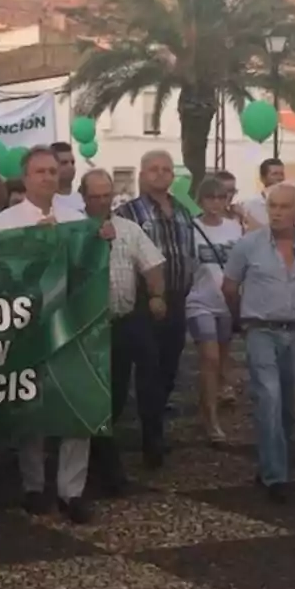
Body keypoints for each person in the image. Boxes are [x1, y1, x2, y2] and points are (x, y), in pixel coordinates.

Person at [0, 147, 92, 523]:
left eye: (53, 171)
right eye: (40, 172)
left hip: (71, 321)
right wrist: (32, 242)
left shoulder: (75, 216)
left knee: (76, 406)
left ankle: (72, 491)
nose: (48, 177)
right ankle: (33, 485)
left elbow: (87, 265)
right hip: (29, 323)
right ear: (26, 176)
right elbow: (0, 268)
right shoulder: (7, 219)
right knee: (32, 405)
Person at [222, 183, 295, 503]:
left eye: (283, 207)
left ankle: (271, 461)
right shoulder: (248, 246)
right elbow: (229, 286)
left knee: (289, 401)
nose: (276, 213)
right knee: (269, 396)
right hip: (260, 329)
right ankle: (276, 476)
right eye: (272, 206)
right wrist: (244, 320)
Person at [80, 168, 166, 496]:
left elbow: (153, 263)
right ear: (84, 197)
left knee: (139, 384)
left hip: (127, 320)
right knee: (103, 397)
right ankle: (105, 468)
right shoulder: (73, 230)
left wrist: (157, 294)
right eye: (95, 196)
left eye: (107, 196)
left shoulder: (128, 230)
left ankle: (150, 443)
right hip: (90, 328)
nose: (102, 202)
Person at [115, 150, 197, 430]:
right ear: (141, 175)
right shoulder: (127, 213)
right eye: (153, 169)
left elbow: (189, 252)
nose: (160, 174)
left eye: (166, 169)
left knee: (170, 366)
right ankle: (152, 436)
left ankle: (157, 417)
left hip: (177, 300)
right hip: (143, 303)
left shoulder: (184, 211)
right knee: (148, 368)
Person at [186, 176, 243, 444]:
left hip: (227, 303)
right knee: (209, 358)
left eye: (221, 197)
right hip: (199, 301)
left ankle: (206, 403)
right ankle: (211, 419)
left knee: (220, 360)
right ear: (201, 200)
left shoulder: (235, 228)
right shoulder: (191, 228)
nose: (216, 203)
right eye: (210, 197)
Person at [243, 158, 286, 231]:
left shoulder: (291, 202)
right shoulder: (251, 204)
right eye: (274, 174)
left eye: (281, 174)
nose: (279, 178)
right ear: (263, 178)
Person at [51, 142, 85, 210]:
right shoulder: (46, 202)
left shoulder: (82, 200)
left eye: (72, 162)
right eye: (64, 163)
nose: (70, 166)